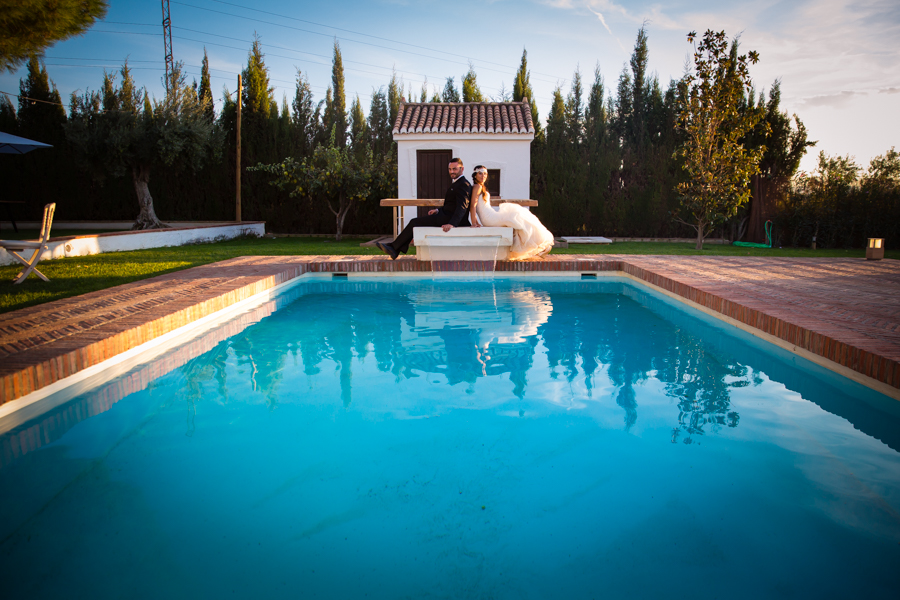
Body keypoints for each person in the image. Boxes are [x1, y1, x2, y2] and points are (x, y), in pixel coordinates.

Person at [376, 157, 472, 259]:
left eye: (455, 169)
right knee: (415, 223)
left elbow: (462, 207)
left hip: (449, 219)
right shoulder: (457, 183)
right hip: (445, 215)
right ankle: (394, 248)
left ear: (462, 169)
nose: (452, 171)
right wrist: (438, 210)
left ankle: (394, 248)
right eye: (450, 169)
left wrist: (452, 224)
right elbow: (451, 204)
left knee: (414, 222)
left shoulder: (463, 184)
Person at [469, 165, 553, 260]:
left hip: (490, 216)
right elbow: (473, 205)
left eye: (485, 174)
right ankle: (540, 246)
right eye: (480, 173)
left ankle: (538, 247)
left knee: (517, 218)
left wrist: (476, 221)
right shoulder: (477, 187)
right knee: (515, 214)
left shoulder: (480, 187)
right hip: (489, 218)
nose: (483, 176)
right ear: (475, 175)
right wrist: (474, 222)